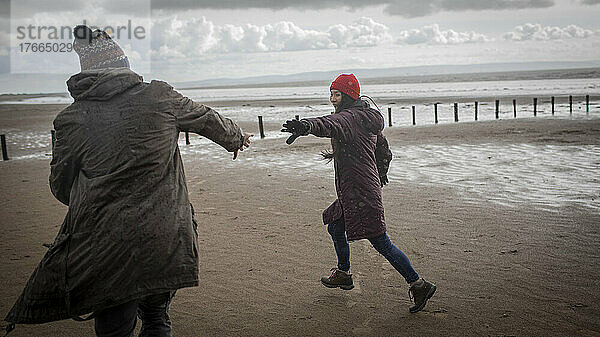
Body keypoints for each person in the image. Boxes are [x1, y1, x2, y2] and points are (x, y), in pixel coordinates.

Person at [4, 25, 252, 336]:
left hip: (107, 244)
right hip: (166, 235)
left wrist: (96, 193)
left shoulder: (70, 120)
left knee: (114, 330)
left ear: (85, 70)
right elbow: (207, 118)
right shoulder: (160, 95)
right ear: (123, 63)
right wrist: (236, 137)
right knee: (157, 320)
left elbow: (60, 186)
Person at [282, 74, 435, 313]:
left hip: (360, 192)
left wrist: (306, 126)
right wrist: (380, 173)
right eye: (331, 94)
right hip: (356, 190)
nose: (333, 99)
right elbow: (384, 150)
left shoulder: (350, 118)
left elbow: (329, 124)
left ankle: (419, 284)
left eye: (337, 94)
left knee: (381, 242)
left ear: (349, 96)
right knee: (335, 225)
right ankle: (343, 273)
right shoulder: (365, 118)